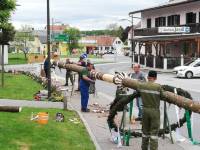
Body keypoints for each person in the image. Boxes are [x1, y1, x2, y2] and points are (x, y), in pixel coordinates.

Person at [137, 70, 163, 150]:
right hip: (154, 111)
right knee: (154, 133)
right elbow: (163, 96)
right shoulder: (158, 87)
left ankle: (144, 148)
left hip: (145, 111)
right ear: (155, 78)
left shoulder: (142, 86)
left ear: (148, 77)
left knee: (145, 132)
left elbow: (138, 90)